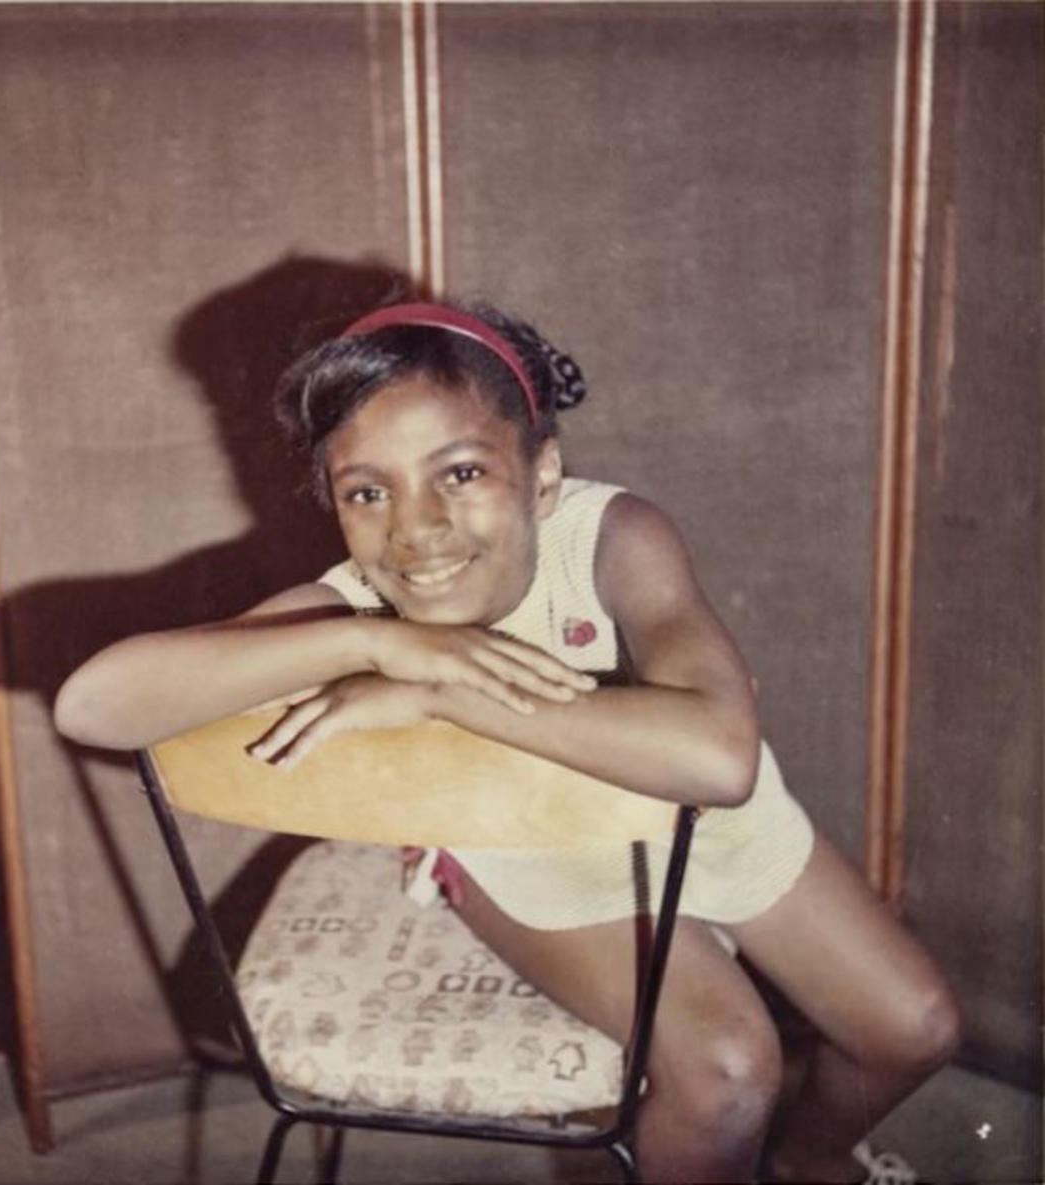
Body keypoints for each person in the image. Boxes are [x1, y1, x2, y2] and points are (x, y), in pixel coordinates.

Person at [54, 298, 960, 1183]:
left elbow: (720, 761)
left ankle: (807, 1158)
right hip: (522, 846)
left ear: (543, 475)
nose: (417, 528)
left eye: (460, 473)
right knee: (725, 1071)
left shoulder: (613, 537)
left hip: (702, 824)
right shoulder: (362, 601)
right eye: (368, 491)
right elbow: (92, 706)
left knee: (916, 1027)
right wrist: (376, 641)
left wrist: (442, 693)